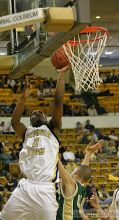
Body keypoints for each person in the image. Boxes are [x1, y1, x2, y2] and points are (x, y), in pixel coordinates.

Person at [0, 66, 69, 220]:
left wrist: (61, 75)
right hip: (25, 187)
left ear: (46, 119)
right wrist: (23, 97)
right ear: (30, 121)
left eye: (40, 112)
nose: (36, 112)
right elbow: (14, 121)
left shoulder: (53, 129)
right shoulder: (26, 132)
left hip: (45, 189)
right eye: (33, 113)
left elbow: (58, 102)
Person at [57, 140, 104, 220]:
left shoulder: (71, 184)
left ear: (77, 173)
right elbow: (84, 169)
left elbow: (58, 164)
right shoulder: (82, 188)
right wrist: (88, 153)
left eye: (75, 169)